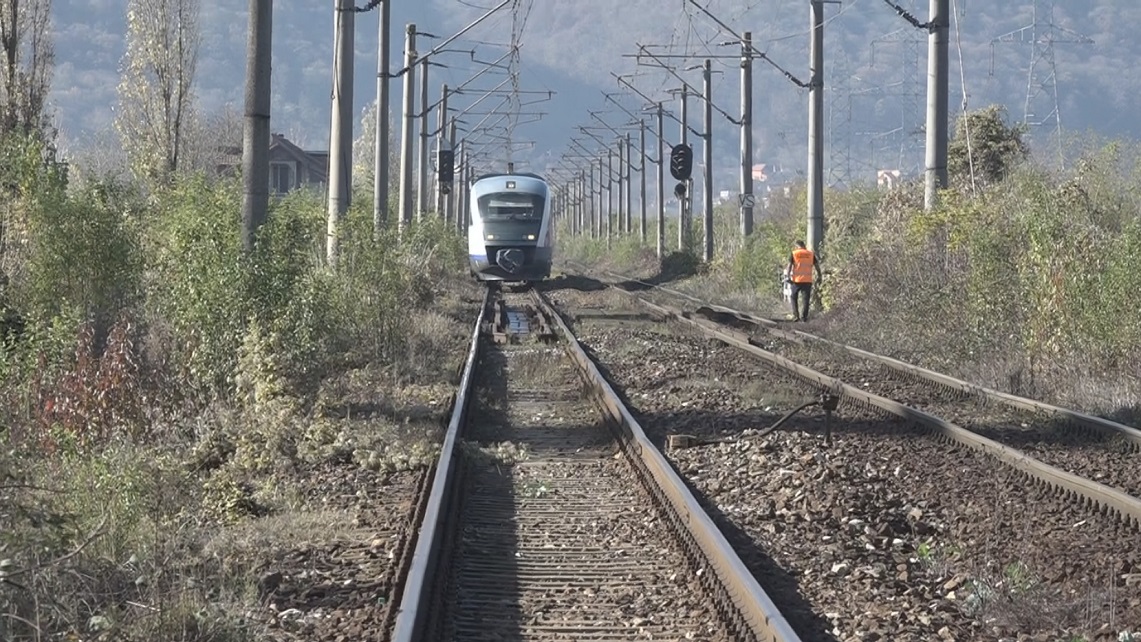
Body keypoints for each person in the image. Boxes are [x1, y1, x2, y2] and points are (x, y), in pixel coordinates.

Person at [785, 240, 821, 322]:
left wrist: (788, 276)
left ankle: (796, 316)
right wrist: (819, 275)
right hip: (807, 280)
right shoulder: (810, 254)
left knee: (793, 297)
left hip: (796, 280)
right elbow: (817, 266)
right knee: (806, 300)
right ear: (804, 245)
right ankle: (804, 318)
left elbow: (789, 266)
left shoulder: (794, 253)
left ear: (797, 246)